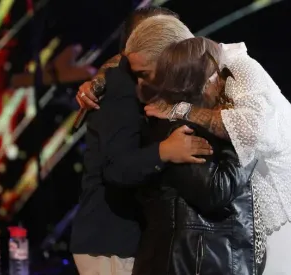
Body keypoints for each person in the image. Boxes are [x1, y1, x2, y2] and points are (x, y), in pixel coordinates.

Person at [77, 15, 291, 274]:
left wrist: (179, 109)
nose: (141, 84)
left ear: (172, 58)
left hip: (290, 216)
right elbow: (133, 57)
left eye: (144, 74)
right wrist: (97, 81)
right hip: (259, 224)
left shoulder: (238, 69)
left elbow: (252, 133)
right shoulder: (197, 67)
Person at [69, 7, 212, 275]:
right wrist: (165, 151)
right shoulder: (120, 90)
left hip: (133, 241)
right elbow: (117, 168)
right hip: (112, 244)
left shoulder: (150, 81)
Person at [132, 36, 263, 275]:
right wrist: (243, 139)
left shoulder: (191, 120)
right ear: (203, 79)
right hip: (194, 262)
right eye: (218, 74)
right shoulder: (178, 127)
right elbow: (216, 189)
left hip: (201, 260)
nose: (225, 82)